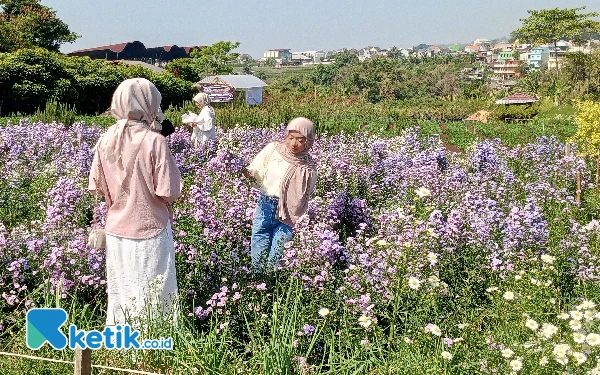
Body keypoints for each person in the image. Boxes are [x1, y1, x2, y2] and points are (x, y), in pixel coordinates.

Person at [88, 77, 183, 327]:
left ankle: (122, 348)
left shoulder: (105, 140)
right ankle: (152, 350)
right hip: (150, 229)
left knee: (122, 292)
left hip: (116, 231)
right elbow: (169, 191)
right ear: (148, 103)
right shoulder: (155, 141)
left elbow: (97, 187)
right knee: (154, 293)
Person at [244, 117, 318, 274]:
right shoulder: (273, 149)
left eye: (300, 140)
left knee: (280, 243)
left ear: (309, 141)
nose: (294, 143)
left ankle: (270, 278)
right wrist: (249, 173)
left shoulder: (308, 166)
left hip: (290, 209)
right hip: (266, 202)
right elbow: (257, 167)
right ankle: (258, 277)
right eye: (291, 138)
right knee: (260, 236)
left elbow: (308, 192)